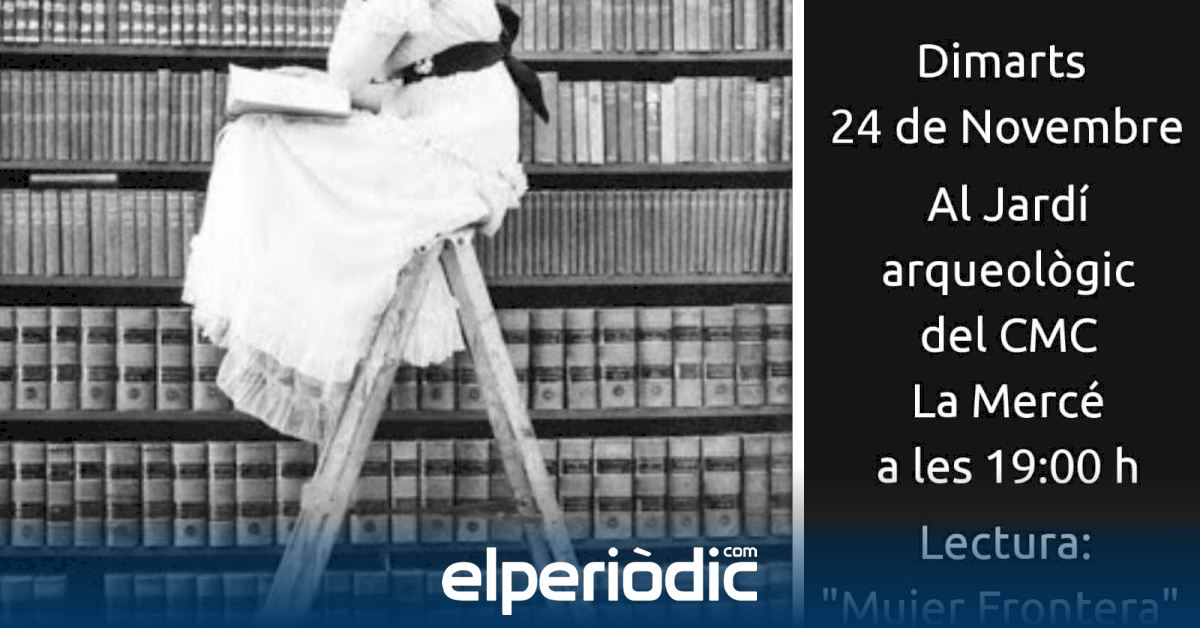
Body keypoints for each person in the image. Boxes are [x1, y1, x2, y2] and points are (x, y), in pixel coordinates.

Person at [183, 0, 544, 444]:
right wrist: (316, 84)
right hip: (452, 131)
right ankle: (311, 305)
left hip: (451, 153)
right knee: (271, 137)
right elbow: (411, 86)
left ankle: (310, 317)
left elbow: (347, 76)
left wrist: (314, 85)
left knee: (258, 137)